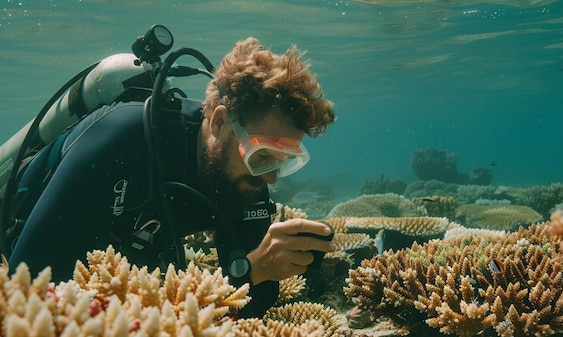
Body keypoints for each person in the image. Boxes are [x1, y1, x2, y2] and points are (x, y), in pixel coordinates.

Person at [5, 37, 336, 317]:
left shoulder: (247, 179)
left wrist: (261, 268)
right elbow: (30, 282)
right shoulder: (122, 138)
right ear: (220, 122)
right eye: (262, 156)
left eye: (285, 162)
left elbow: (251, 303)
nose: (272, 177)